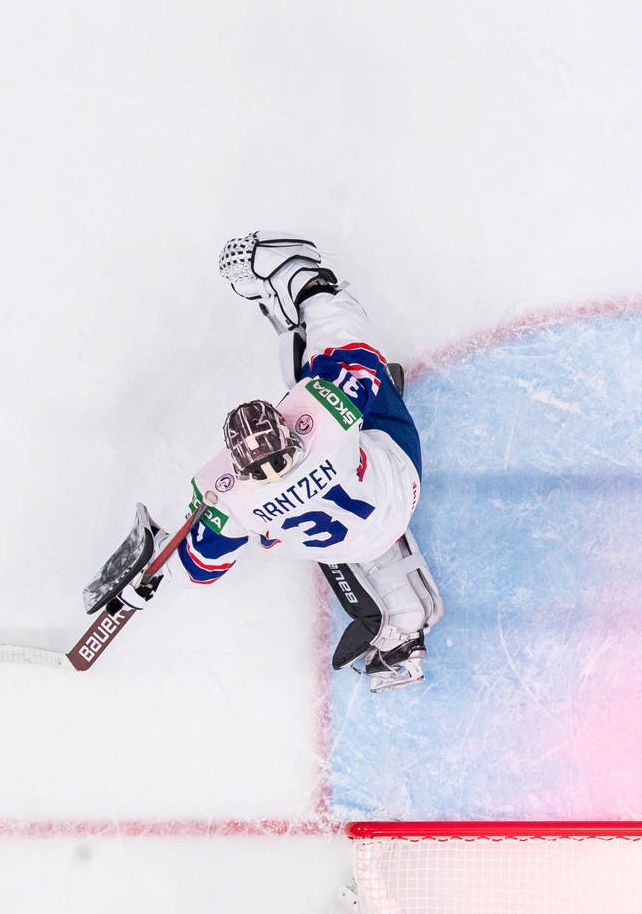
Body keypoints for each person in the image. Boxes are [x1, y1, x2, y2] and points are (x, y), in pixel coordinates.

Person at [106, 233, 443, 689]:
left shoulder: (233, 502)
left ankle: (398, 629)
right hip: (399, 485)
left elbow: (199, 568)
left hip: (343, 545)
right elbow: (353, 350)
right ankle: (292, 272)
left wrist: (154, 574)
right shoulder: (324, 423)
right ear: (287, 435)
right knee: (335, 371)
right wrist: (314, 291)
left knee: (327, 386)